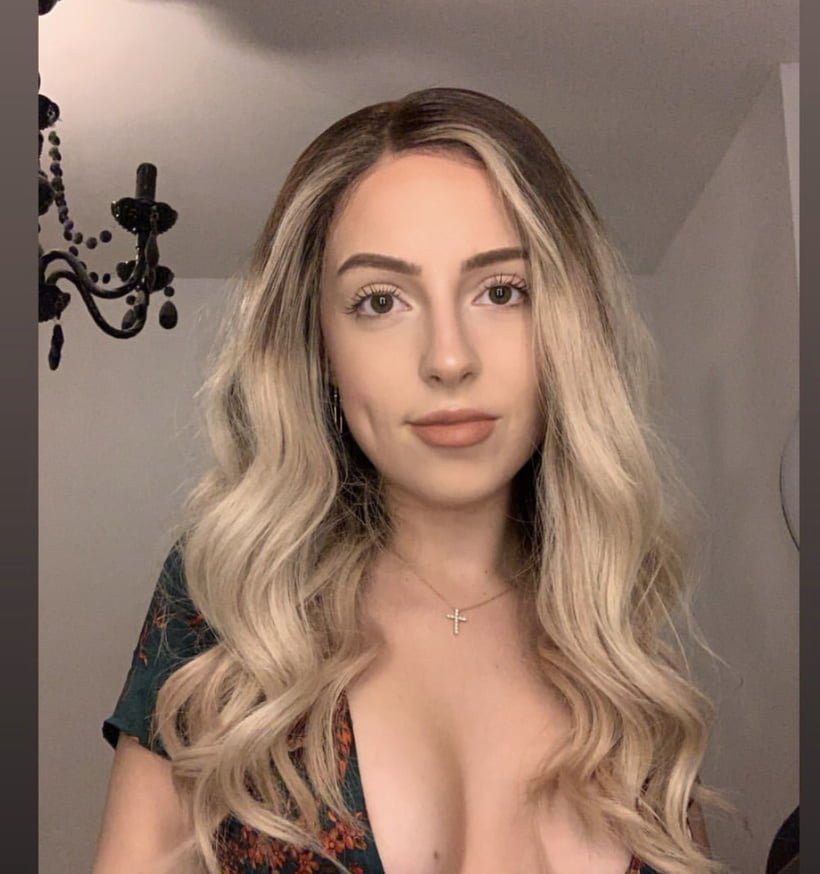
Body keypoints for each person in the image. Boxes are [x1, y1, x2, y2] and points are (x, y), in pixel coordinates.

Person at [91, 86, 725, 874]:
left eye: (502, 291)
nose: (449, 358)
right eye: (381, 301)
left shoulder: (620, 652)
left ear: (570, 324)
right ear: (319, 348)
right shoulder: (231, 606)